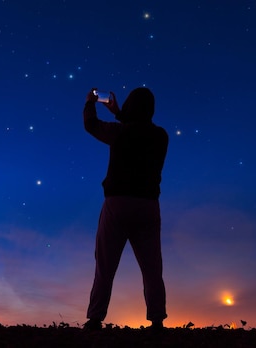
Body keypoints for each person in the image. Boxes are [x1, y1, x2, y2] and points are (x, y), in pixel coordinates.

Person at [82, 87, 169, 332]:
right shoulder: (161, 136)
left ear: (130, 106)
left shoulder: (119, 133)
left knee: (105, 265)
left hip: (117, 204)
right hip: (148, 206)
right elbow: (139, 129)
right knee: (152, 267)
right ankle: (157, 319)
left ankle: (95, 318)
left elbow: (91, 125)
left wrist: (90, 102)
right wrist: (120, 114)